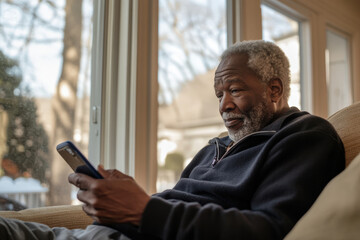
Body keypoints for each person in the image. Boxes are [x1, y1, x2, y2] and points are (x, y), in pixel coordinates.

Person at [0, 40, 345, 240]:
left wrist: (143, 210)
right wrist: (122, 204)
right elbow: (177, 205)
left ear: (275, 89)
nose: (224, 105)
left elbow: (267, 230)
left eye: (235, 90)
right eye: (218, 93)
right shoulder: (214, 147)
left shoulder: (305, 137)